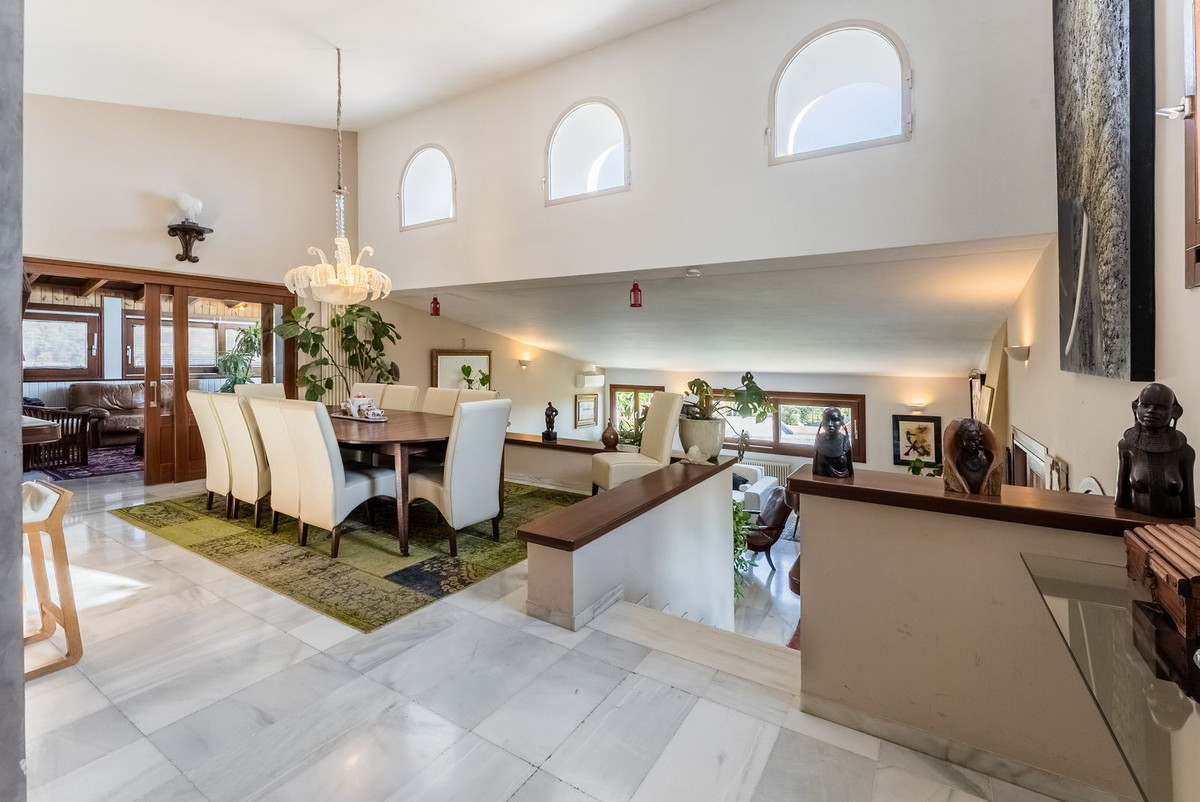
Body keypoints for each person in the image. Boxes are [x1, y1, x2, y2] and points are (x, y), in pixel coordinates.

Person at [1116, 383, 1196, 519]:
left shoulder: (1184, 452)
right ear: (1135, 407)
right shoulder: (1126, 448)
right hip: (1135, 522)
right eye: (1145, 405)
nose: (1151, 411)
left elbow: (1188, 508)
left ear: (1175, 412)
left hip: (1174, 526)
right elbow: (1120, 502)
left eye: (1161, 408)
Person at [812, 407, 854, 478]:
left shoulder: (845, 440)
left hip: (842, 482)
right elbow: (815, 469)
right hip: (821, 481)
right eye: (826, 420)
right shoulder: (819, 439)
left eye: (835, 420)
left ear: (841, 420)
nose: (830, 424)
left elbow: (850, 470)